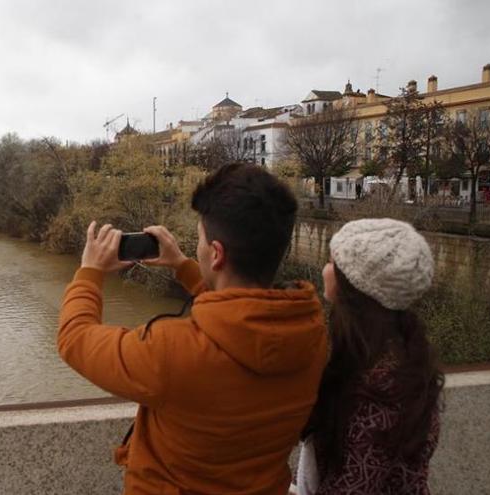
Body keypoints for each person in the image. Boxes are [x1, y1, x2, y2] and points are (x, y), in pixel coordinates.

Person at [57, 163, 328, 494]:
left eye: (201, 240)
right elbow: (241, 322)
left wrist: (90, 271)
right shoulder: (311, 335)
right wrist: (184, 267)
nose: (197, 248)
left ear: (216, 254)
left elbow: (75, 338)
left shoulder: (171, 352)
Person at [294, 218, 443, 495]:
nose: (324, 269)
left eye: (331, 262)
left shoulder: (380, 390)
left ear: (353, 286)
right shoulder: (398, 357)